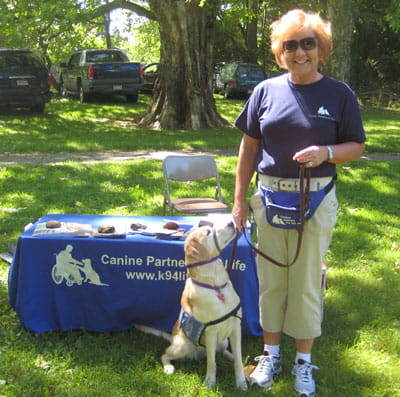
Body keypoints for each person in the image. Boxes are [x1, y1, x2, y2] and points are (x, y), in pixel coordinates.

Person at [232, 9, 366, 396]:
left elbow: (356, 145)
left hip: (317, 197)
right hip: (269, 196)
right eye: (290, 45)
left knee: (306, 282)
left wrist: (326, 151)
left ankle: (303, 362)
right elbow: (249, 146)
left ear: (321, 48)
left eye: (308, 44)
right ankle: (270, 355)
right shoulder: (265, 91)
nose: (299, 52)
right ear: (280, 52)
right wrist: (239, 201)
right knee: (271, 281)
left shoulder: (339, 94)